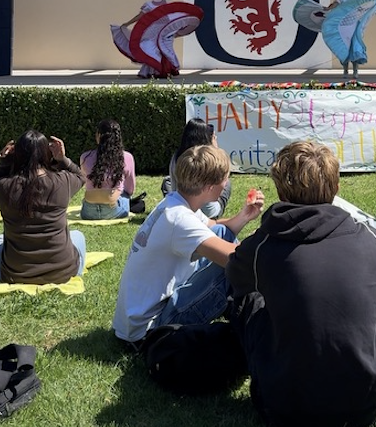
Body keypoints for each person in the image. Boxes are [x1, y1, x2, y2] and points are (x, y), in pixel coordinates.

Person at [226, 141, 376, 427]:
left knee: (248, 299)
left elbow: (235, 279)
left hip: (284, 408)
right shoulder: (375, 243)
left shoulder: (262, 248)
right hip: (369, 405)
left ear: (280, 190)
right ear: (335, 186)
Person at [113, 144, 264, 346]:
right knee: (233, 265)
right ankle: (255, 321)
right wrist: (262, 239)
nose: (227, 183)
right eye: (225, 179)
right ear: (210, 187)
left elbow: (215, 227)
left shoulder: (174, 203)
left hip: (136, 321)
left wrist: (245, 216)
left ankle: (242, 310)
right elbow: (235, 259)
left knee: (222, 234)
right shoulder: (179, 220)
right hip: (150, 332)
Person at [0, 131, 86, 285]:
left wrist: (3, 163)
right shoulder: (62, 182)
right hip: (63, 272)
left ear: (17, 155)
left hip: (16, 274)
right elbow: (80, 177)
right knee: (78, 236)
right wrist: (62, 159)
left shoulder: (4, 187)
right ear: (47, 153)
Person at [161, 118, 231, 219]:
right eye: (213, 137)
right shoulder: (205, 162)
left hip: (183, 204)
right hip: (206, 212)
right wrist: (215, 149)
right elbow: (222, 169)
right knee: (226, 183)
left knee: (167, 181)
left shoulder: (177, 157)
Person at [80, 119, 139, 220]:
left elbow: (86, 182)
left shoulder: (85, 157)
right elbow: (130, 189)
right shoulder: (127, 157)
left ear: (98, 136)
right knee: (124, 194)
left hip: (88, 211)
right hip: (114, 210)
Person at [120, 0, 168, 78]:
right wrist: (128, 23)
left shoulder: (167, 3)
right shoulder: (148, 5)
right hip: (151, 32)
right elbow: (140, 16)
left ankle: (155, 71)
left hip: (163, 32)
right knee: (150, 50)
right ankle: (151, 71)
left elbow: (172, 16)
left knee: (161, 51)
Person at [325, 0, 358, 76]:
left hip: (353, 27)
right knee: (344, 49)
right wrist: (328, 8)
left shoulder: (356, 0)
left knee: (354, 48)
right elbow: (335, 4)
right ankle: (345, 70)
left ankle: (355, 70)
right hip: (343, 28)